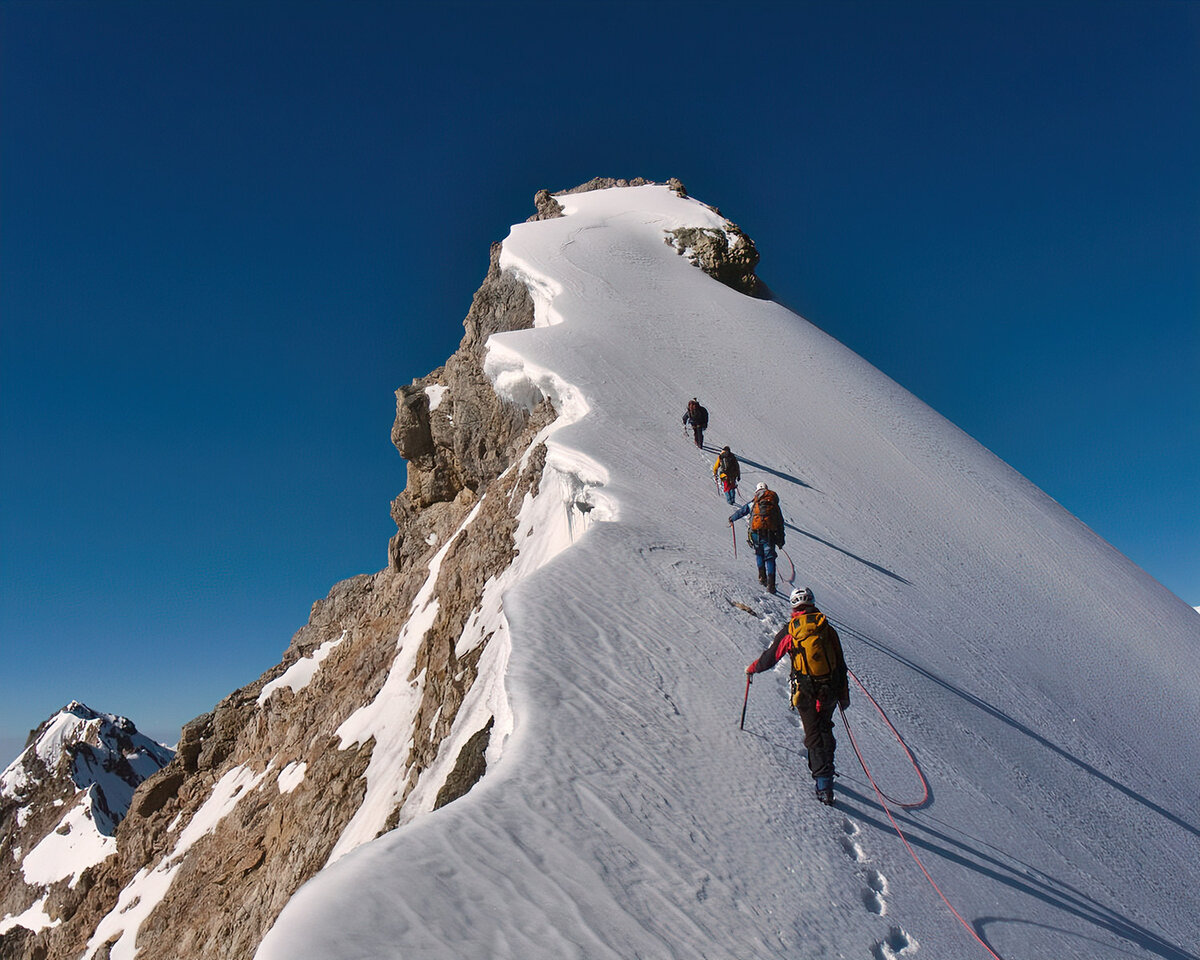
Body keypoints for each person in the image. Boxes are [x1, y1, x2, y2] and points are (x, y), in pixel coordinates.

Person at [745, 587, 849, 805]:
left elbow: (772, 656)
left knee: (814, 735)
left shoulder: (792, 630)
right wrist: (843, 694)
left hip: (806, 692)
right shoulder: (827, 629)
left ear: (794, 606)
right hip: (830, 690)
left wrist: (753, 668)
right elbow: (840, 664)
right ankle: (823, 769)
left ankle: (823, 785)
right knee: (824, 728)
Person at [728, 481, 784, 593]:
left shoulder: (754, 502)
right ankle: (771, 585)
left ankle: (762, 577)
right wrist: (780, 540)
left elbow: (742, 512)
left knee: (759, 553)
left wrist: (732, 518)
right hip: (770, 534)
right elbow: (780, 523)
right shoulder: (774, 505)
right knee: (770, 557)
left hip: (755, 533)